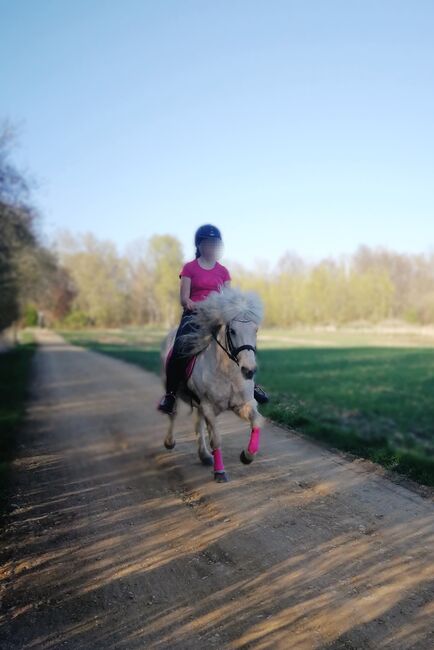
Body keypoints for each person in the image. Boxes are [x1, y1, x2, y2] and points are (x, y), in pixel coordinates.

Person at [157, 224, 269, 415]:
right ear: (199, 245)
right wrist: (190, 303)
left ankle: (252, 384)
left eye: (214, 243)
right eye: (208, 243)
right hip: (195, 316)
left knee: (242, 343)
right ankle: (171, 394)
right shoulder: (189, 268)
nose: (211, 247)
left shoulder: (223, 271)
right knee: (179, 349)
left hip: (218, 315)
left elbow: (228, 297)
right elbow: (184, 297)